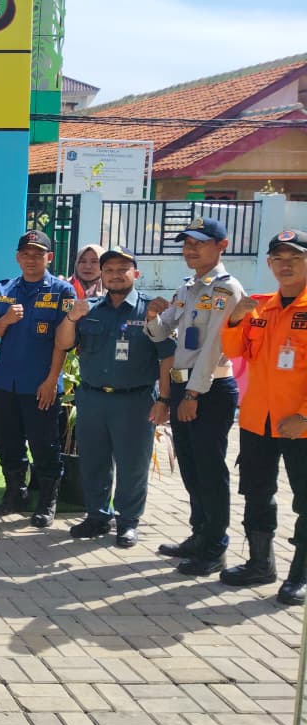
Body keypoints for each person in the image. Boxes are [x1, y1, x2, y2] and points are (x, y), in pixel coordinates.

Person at [55, 247, 174, 547]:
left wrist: (164, 400)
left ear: (136, 273)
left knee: (133, 464)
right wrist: (71, 317)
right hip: (93, 398)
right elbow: (64, 343)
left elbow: (167, 358)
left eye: (123, 269)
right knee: (93, 461)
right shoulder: (90, 309)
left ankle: (128, 521)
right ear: (102, 275)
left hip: (135, 400)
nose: (115, 275)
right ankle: (97, 516)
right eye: (109, 270)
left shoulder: (150, 310)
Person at [145, 217, 244, 575]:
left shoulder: (226, 290)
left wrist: (193, 394)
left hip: (209, 389)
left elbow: (214, 347)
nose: (190, 249)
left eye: (199, 243)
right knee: (190, 465)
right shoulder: (188, 288)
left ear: (222, 246)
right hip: (186, 387)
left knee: (210, 468)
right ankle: (199, 534)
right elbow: (161, 333)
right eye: (187, 243)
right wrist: (153, 316)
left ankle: (215, 546)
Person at [219, 229, 307, 602]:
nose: (286, 266)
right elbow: (234, 352)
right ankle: (260, 564)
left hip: (300, 426)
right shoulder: (260, 307)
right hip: (258, 420)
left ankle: (300, 576)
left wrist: (304, 417)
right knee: (257, 492)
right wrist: (235, 320)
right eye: (279, 259)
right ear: (269, 263)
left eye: (295, 258)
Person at [0, 230, 77, 527]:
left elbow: (63, 342)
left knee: (44, 445)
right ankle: (15, 494)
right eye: (26, 254)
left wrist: (52, 380)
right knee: (8, 443)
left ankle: (48, 502)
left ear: (49, 257)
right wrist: (5, 320)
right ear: (17, 257)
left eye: (38, 254)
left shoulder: (63, 291)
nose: (31, 259)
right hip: (6, 383)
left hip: (41, 384)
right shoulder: (5, 288)